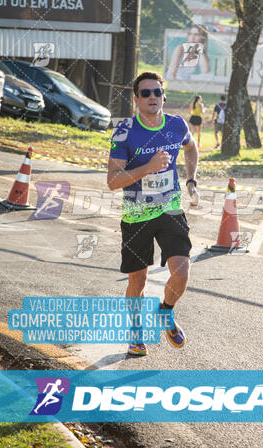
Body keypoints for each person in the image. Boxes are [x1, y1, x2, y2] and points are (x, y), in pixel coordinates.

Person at [107, 71, 199, 357]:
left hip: (170, 208)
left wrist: (191, 180)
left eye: (157, 92)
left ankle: (166, 312)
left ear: (163, 97)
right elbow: (112, 181)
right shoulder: (124, 131)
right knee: (138, 281)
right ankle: (135, 334)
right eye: (145, 93)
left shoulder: (176, 125)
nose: (152, 97)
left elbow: (191, 147)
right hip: (136, 216)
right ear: (136, 99)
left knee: (182, 273)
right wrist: (148, 167)